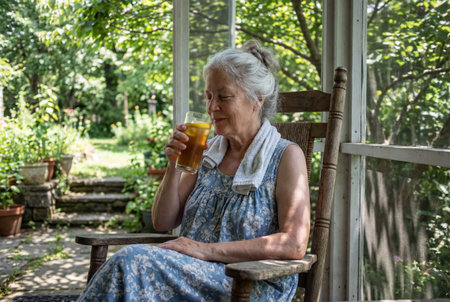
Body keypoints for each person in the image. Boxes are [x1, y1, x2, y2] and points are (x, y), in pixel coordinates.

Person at [77, 40, 310, 302]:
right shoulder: (209, 153)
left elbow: (294, 244)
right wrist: (173, 165)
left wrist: (204, 250)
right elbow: (163, 222)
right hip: (191, 274)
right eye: (209, 97)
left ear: (257, 100)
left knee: (131, 262)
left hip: (247, 283)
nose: (212, 108)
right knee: (130, 264)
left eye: (223, 97)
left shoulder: (286, 156)